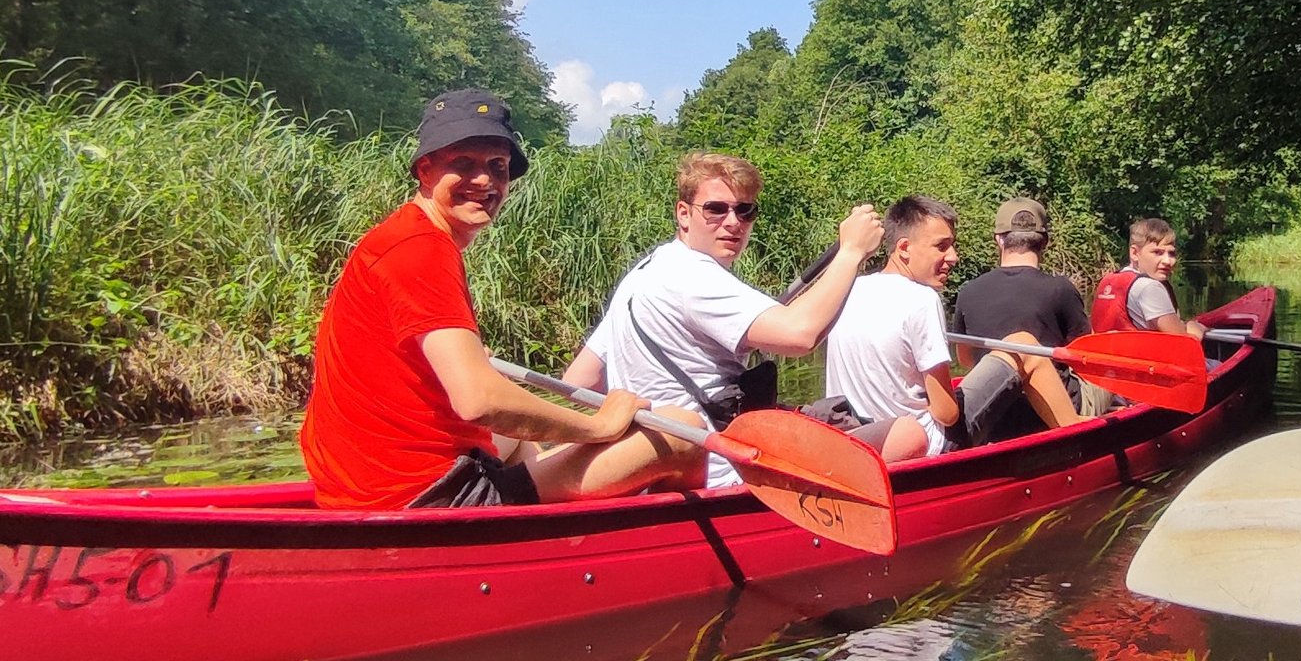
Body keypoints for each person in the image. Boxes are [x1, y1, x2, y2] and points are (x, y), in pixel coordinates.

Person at [301, 88, 700, 510]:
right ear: (425, 169)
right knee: (681, 430)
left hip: (364, 487)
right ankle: (672, 547)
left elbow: (441, 376)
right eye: (464, 164)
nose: (485, 181)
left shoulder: (404, 234)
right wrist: (597, 425)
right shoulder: (421, 249)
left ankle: (548, 530)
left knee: (517, 443)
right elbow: (479, 401)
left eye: (498, 167)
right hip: (419, 499)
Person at [564, 153, 884, 487]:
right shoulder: (692, 275)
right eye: (716, 209)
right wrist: (851, 253)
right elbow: (801, 334)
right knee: (904, 434)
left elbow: (580, 379)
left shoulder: (643, 274)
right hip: (721, 473)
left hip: (652, 476)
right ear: (684, 214)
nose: (733, 222)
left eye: (745, 210)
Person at [823, 195, 962, 462]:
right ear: (904, 248)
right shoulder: (922, 299)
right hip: (923, 443)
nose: (953, 257)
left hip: (855, 436)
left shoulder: (850, 288)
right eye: (941, 246)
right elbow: (946, 413)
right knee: (1011, 360)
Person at [948, 197, 1092, 444]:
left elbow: (966, 359)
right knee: (1110, 381)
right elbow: (1087, 358)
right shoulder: (1061, 289)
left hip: (996, 412)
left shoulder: (968, 291)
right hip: (1052, 409)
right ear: (1045, 242)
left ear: (999, 239)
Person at [1090, 217, 1204, 339]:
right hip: (1144, 357)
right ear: (1134, 253)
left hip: (1109, 355)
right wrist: (1196, 329)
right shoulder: (1149, 288)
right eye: (1157, 252)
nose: (1168, 261)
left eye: (1171, 253)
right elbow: (1185, 344)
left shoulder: (1108, 281)